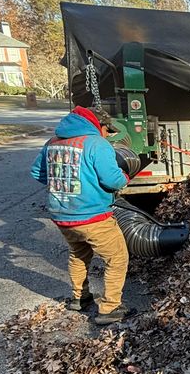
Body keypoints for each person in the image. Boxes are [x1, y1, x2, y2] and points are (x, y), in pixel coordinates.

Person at [31, 105, 130, 324]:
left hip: (62, 215)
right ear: (99, 124)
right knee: (117, 258)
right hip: (93, 216)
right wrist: (125, 177)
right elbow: (112, 180)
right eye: (107, 130)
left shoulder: (52, 143)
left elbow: (37, 172)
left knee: (78, 253)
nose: (107, 134)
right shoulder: (97, 144)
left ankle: (79, 298)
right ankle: (109, 309)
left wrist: (61, 185)